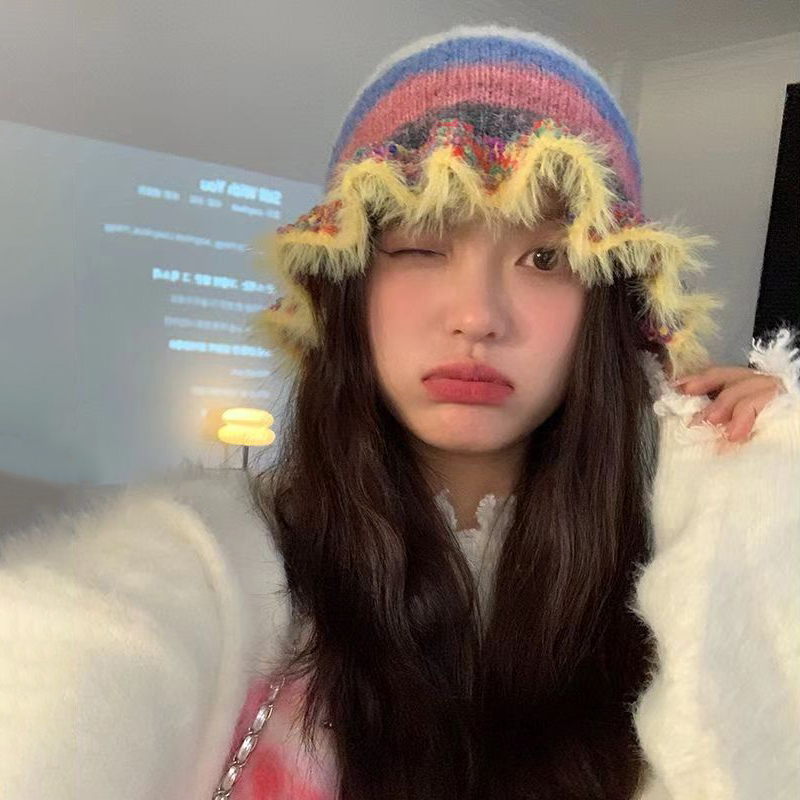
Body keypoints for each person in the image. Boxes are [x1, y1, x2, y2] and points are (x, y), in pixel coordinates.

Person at [0, 23, 797, 800]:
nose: (477, 316)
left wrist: (764, 488)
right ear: (345, 284)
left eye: (544, 257)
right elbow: (73, 661)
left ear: (608, 304)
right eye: (419, 244)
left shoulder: (673, 582)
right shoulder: (221, 564)